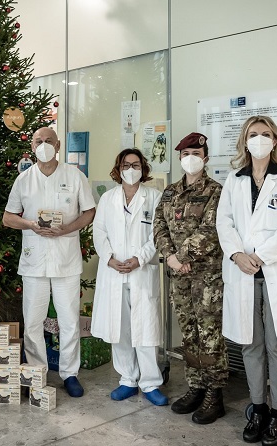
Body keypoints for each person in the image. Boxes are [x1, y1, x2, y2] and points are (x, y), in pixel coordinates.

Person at [216, 116, 277, 446]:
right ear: (244, 141)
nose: (259, 139)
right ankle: (258, 408)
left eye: (265, 134)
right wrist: (237, 255)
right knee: (250, 344)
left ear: (275, 140)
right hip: (243, 272)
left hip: (275, 271)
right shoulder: (234, 179)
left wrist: (261, 254)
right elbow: (224, 223)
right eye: (253, 134)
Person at [3, 127, 96, 397]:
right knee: (32, 321)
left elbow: (89, 212)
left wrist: (66, 229)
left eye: (49, 141)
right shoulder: (23, 179)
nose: (43, 145)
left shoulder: (75, 176)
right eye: (38, 141)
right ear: (32, 146)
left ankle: (70, 374)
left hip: (66, 260)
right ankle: (37, 373)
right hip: (34, 261)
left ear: (58, 146)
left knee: (68, 320)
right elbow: (8, 217)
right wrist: (30, 224)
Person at [153, 132, 228, 424]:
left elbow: (212, 230)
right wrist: (171, 257)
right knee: (189, 333)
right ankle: (196, 386)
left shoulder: (216, 191)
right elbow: (159, 227)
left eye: (196, 153)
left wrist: (181, 257)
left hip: (208, 277)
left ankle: (215, 393)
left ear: (206, 158)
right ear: (179, 157)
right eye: (185, 154)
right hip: (178, 276)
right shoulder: (170, 192)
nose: (190, 158)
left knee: (209, 335)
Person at [91, 148, 167, 406]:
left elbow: (158, 234)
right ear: (118, 168)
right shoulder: (108, 198)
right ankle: (127, 380)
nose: (131, 169)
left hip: (141, 271)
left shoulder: (155, 197)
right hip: (113, 271)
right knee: (120, 328)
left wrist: (140, 258)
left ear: (143, 168)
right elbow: (99, 233)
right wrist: (110, 258)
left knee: (145, 329)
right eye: (126, 164)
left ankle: (150, 383)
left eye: (135, 164)